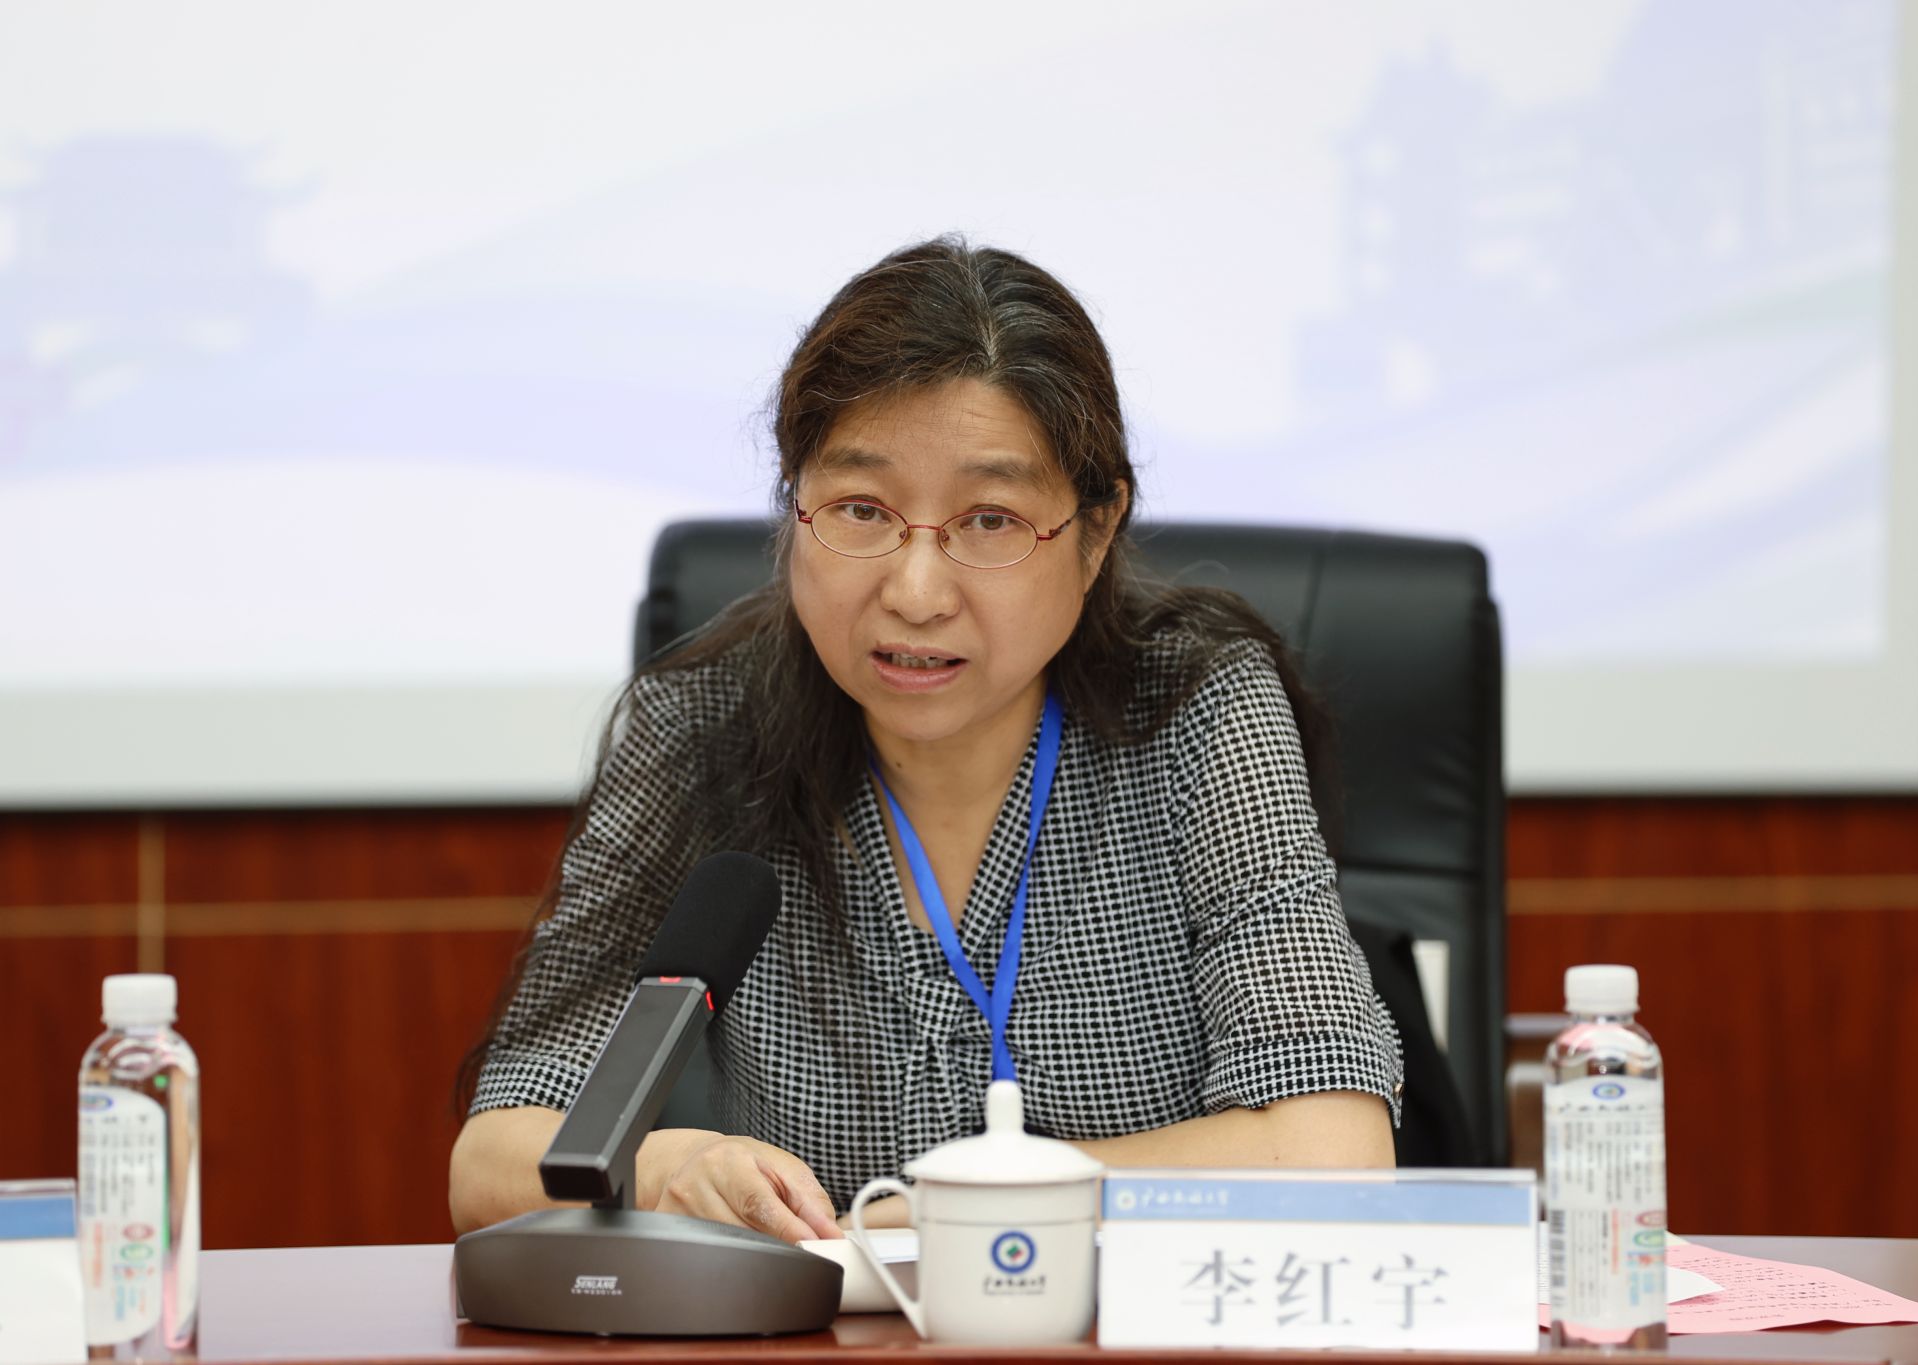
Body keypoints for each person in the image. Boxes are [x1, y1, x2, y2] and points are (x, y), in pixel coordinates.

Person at [449, 237, 1402, 1243]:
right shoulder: (702, 729)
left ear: (1094, 532)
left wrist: (977, 1204)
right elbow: (494, 1156)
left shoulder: (1197, 713)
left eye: (989, 521)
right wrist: (666, 1168)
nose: (914, 592)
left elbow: (1335, 1151)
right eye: (860, 510)